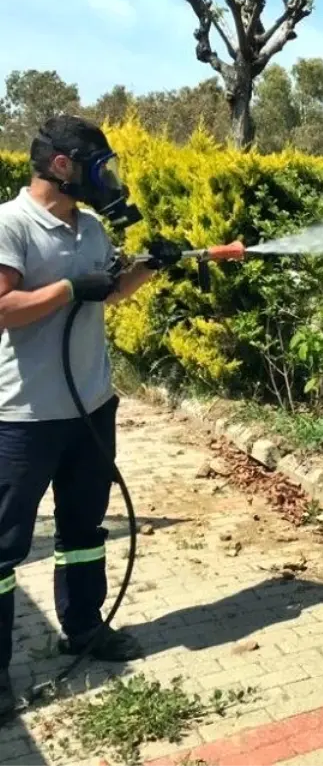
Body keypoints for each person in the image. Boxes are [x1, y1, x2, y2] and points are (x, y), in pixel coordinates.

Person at [0, 114, 181, 716]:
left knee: (83, 530)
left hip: (90, 408)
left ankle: (84, 628)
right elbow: (4, 308)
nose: (106, 180)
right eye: (96, 167)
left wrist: (149, 266)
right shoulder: (10, 224)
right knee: (5, 550)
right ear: (62, 165)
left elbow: (108, 290)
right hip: (21, 418)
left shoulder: (92, 228)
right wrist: (64, 290)